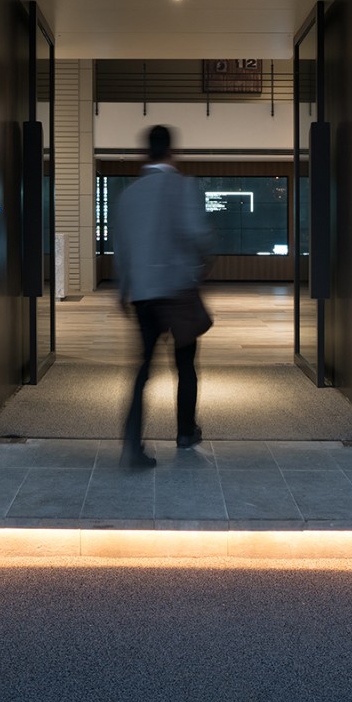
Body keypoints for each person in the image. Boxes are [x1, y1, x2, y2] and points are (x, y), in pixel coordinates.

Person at [113, 124, 213, 469]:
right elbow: (197, 233)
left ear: (145, 154)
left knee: (143, 369)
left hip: (144, 295)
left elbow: (122, 250)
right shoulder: (182, 186)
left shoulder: (128, 195)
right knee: (185, 365)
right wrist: (203, 265)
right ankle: (185, 432)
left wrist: (123, 292)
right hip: (178, 292)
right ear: (172, 152)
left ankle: (132, 445)